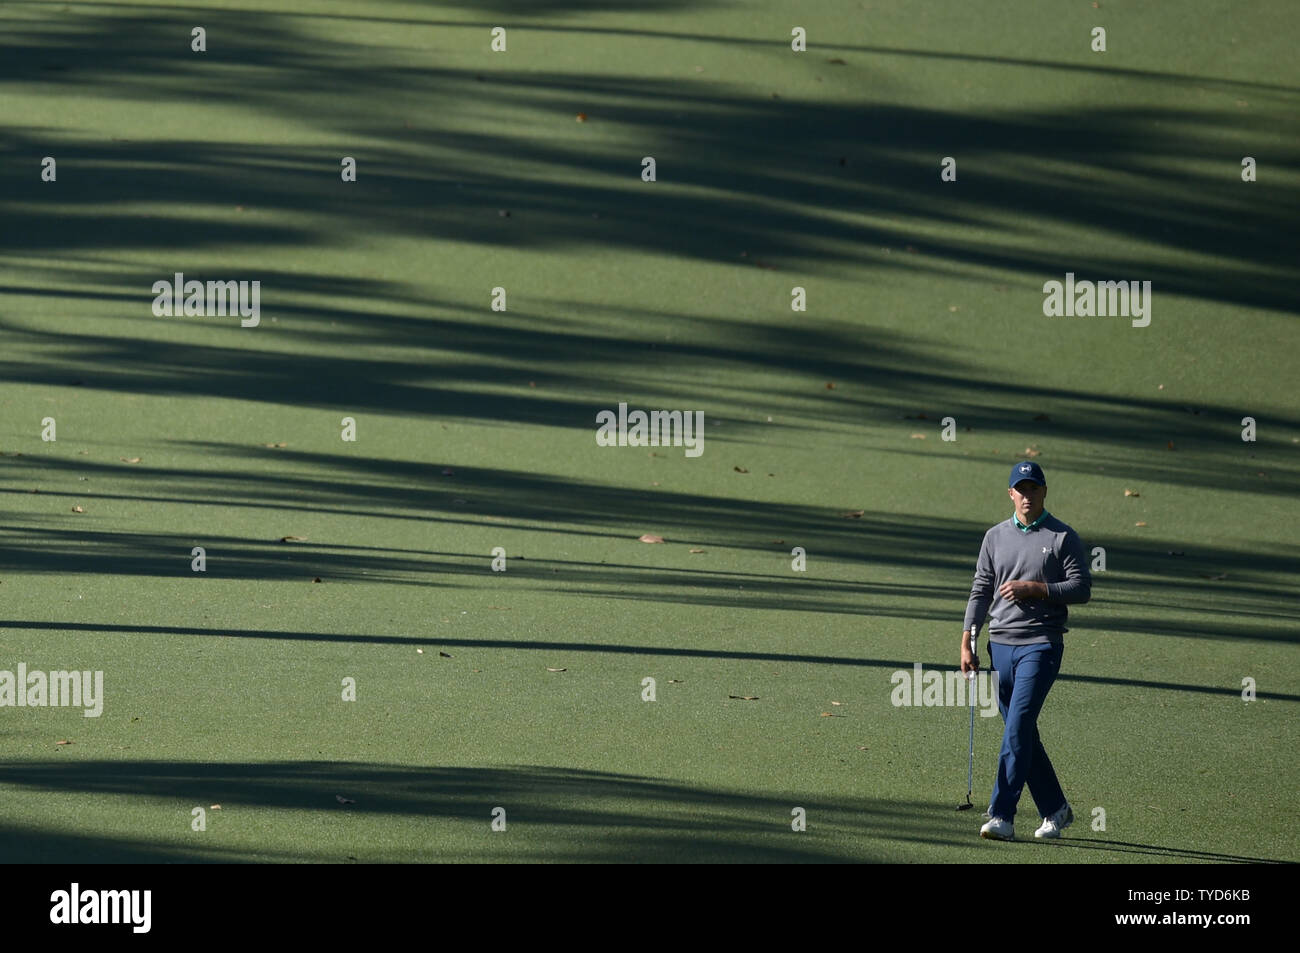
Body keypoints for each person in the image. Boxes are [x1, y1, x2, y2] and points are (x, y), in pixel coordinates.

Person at [960, 461, 1091, 841]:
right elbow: (981, 589)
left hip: (1041, 644)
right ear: (1011, 494)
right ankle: (1055, 809)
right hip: (999, 645)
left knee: (1017, 727)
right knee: (1023, 733)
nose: (1027, 496)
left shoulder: (1063, 536)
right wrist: (967, 638)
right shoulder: (995, 537)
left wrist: (1037, 588)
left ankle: (1002, 814)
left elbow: (1081, 588)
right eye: (1021, 489)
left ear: (1044, 492)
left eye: (1034, 489)